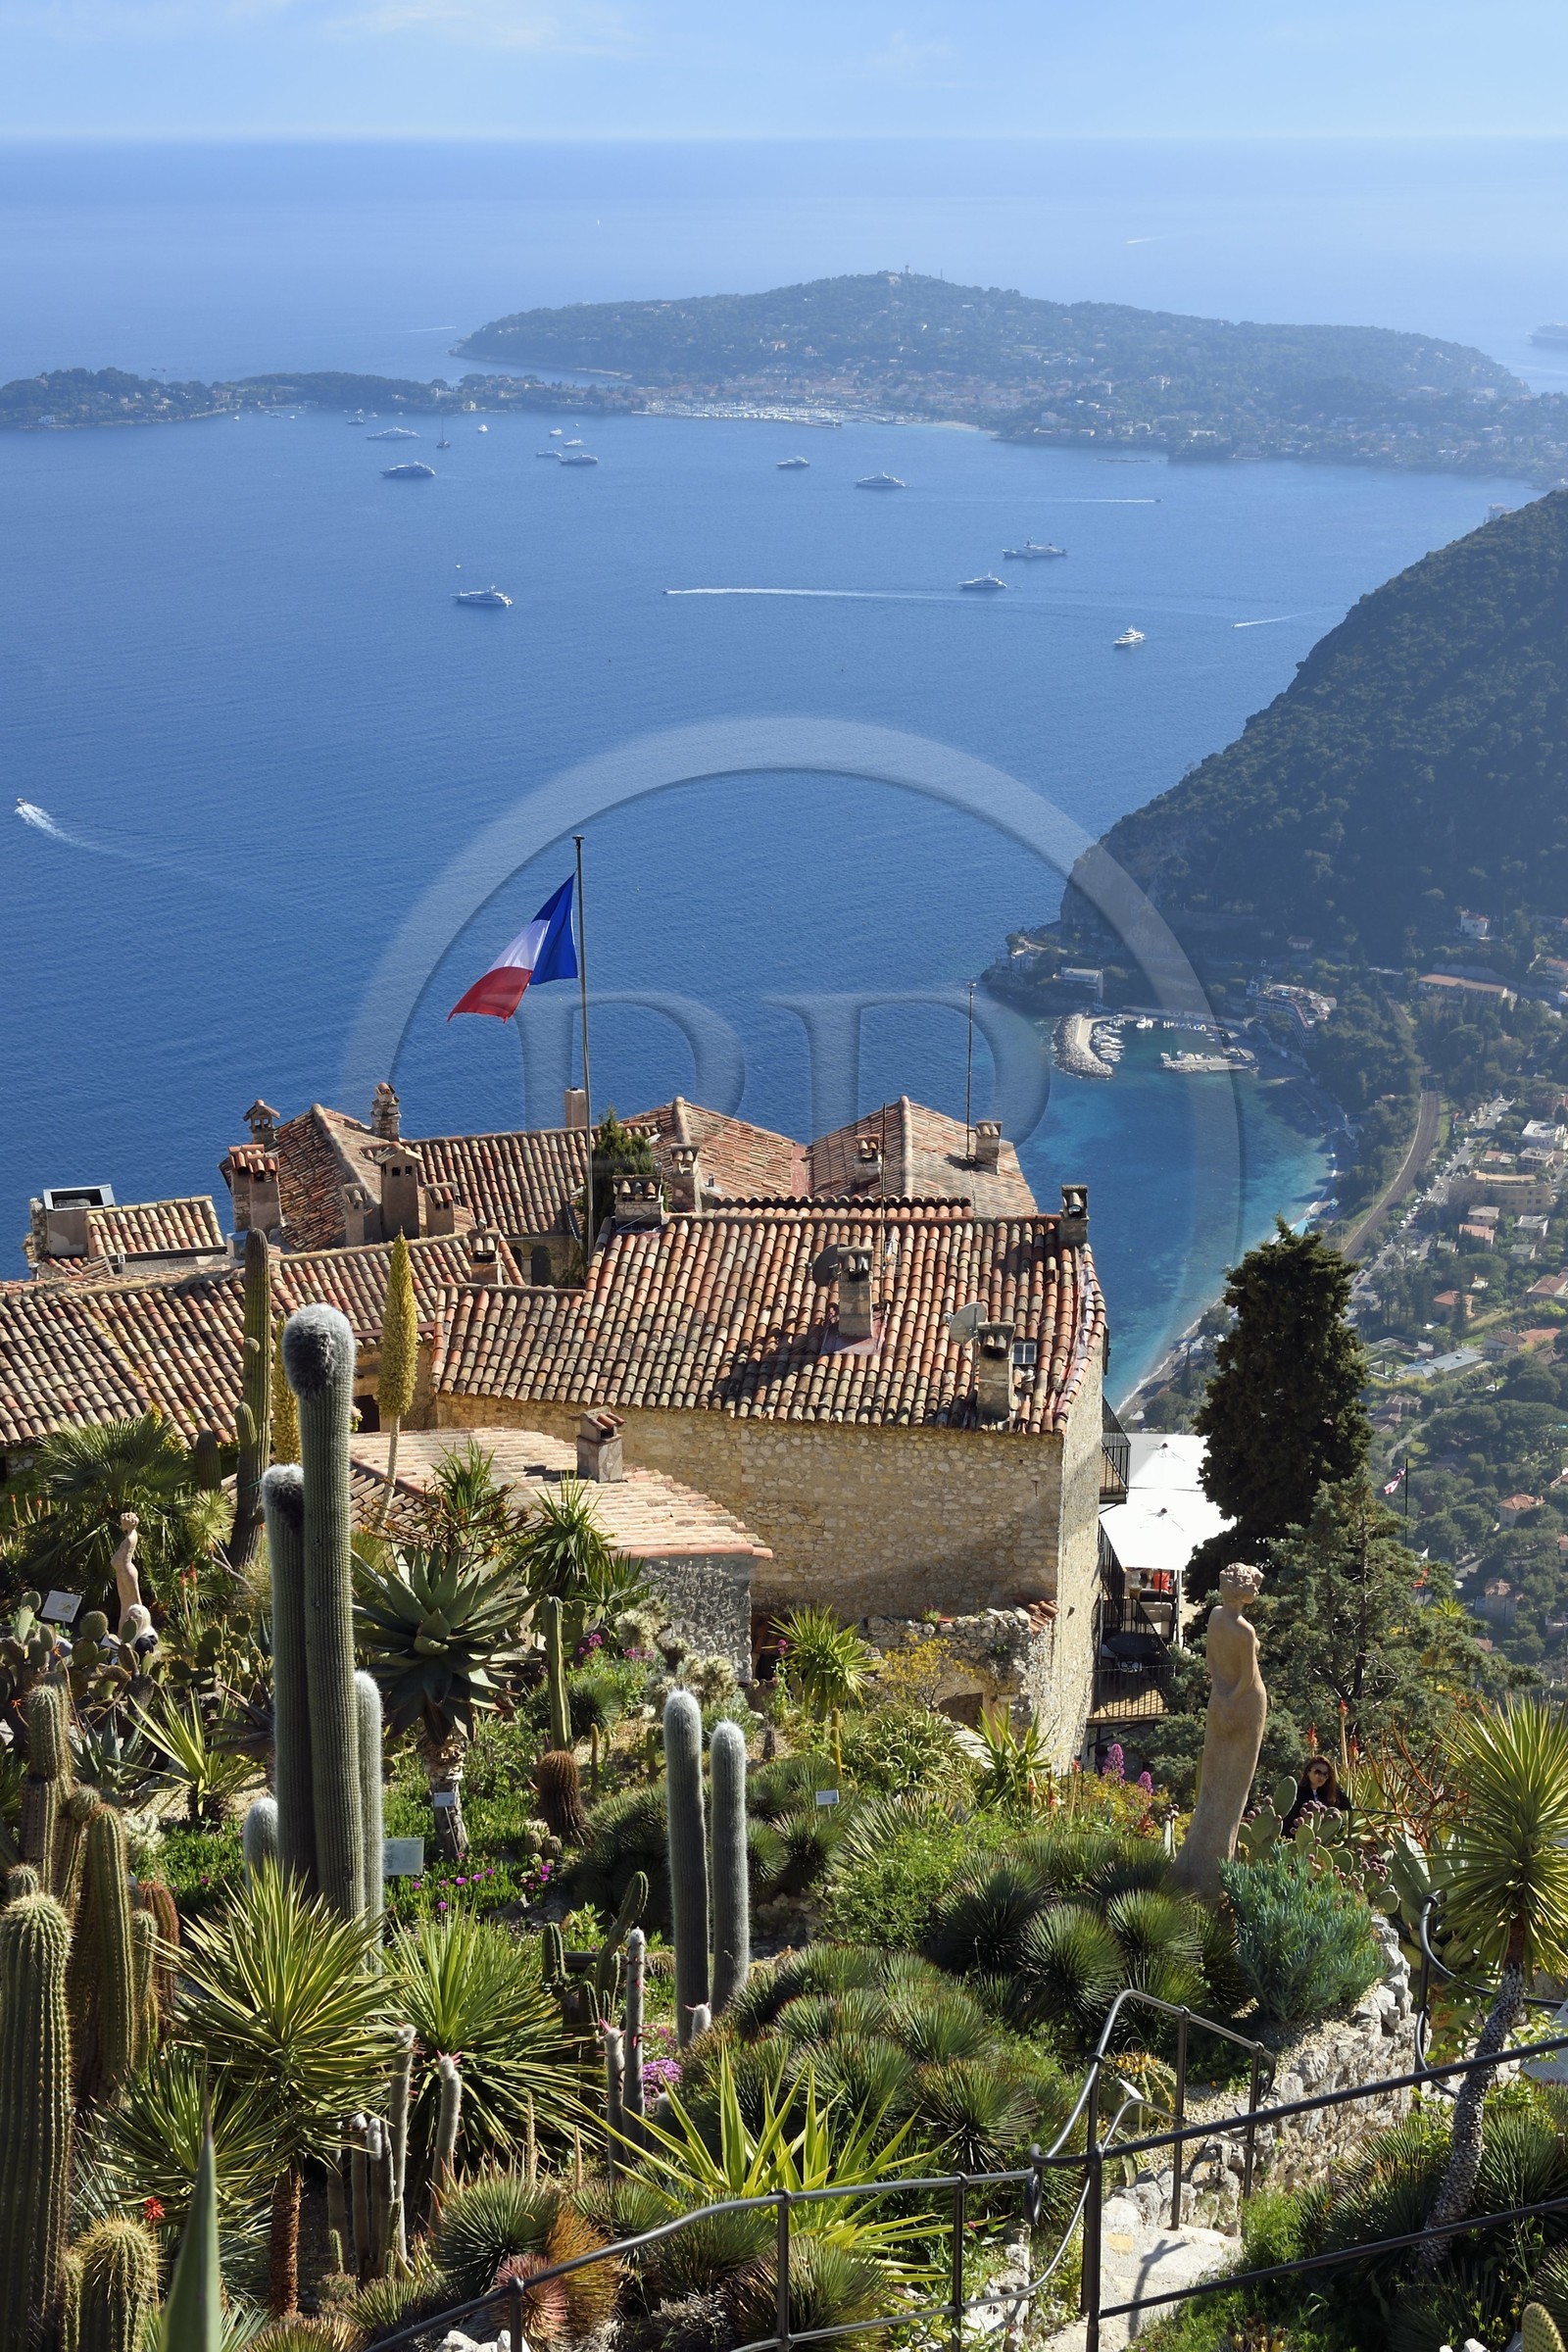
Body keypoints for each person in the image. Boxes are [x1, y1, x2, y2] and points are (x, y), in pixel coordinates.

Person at [1282, 1754, 1345, 1836]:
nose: (1321, 1777)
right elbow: (1288, 1821)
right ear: (1308, 1772)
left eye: (1325, 1774)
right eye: (1318, 1772)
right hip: (1295, 1839)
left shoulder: (1327, 1795)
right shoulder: (1297, 1792)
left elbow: (1346, 1807)